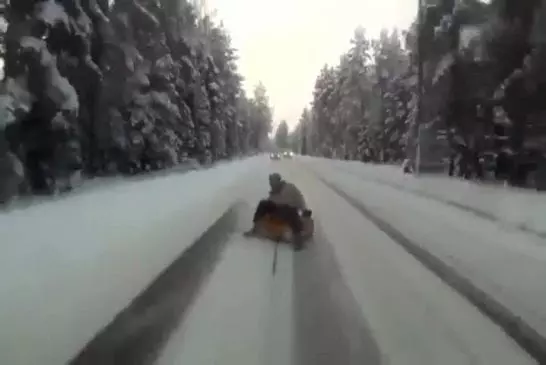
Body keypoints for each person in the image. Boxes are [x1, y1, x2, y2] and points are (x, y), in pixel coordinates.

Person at [245, 173, 309, 250]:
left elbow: (299, 199)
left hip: (290, 212)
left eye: (273, 182)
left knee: (290, 210)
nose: (272, 185)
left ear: (279, 181)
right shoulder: (273, 193)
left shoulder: (290, 188)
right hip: (278, 211)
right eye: (271, 183)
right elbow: (271, 203)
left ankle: (298, 239)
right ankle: (255, 229)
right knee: (263, 203)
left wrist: (304, 210)